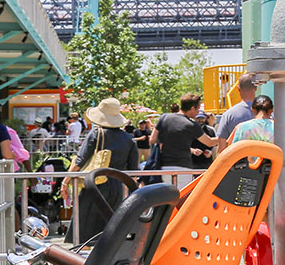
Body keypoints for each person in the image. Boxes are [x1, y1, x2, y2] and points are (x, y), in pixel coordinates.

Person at [69, 98, 142, 241]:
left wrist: (66, 181)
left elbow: (80, 160)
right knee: (110, 228)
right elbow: (133, 170)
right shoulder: (128, 139)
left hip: (95, 183)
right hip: (118, 187)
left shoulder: (97, 133)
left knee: (85, 228)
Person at [153, 94, 218, 184]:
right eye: (197, 109)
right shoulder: (191, 125)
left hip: (165, 168)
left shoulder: (164, 118)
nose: (197, 112)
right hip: (183, 168)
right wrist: (223, 138)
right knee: (184, 196)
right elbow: (209, 142)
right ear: (192, 108)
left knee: (168, 196)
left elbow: (152, 139)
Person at [214, 74, 260, 151]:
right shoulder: (267, 113)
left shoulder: (228, 115)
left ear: (238, 89)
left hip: (238, 160)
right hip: (263, 160)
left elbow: (222, 148)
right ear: (255, 88)